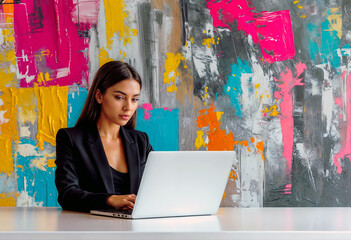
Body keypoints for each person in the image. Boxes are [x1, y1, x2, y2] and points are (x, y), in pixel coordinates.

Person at [55, 61, 153, 212]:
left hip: (135, 230)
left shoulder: (141, 141)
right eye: (120, 97)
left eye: (134, 99)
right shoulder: (70, 139)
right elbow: (67, 195)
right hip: (91, 231)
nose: (128, 107)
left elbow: (157, 189)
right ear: (99, 96)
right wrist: (109, 200)